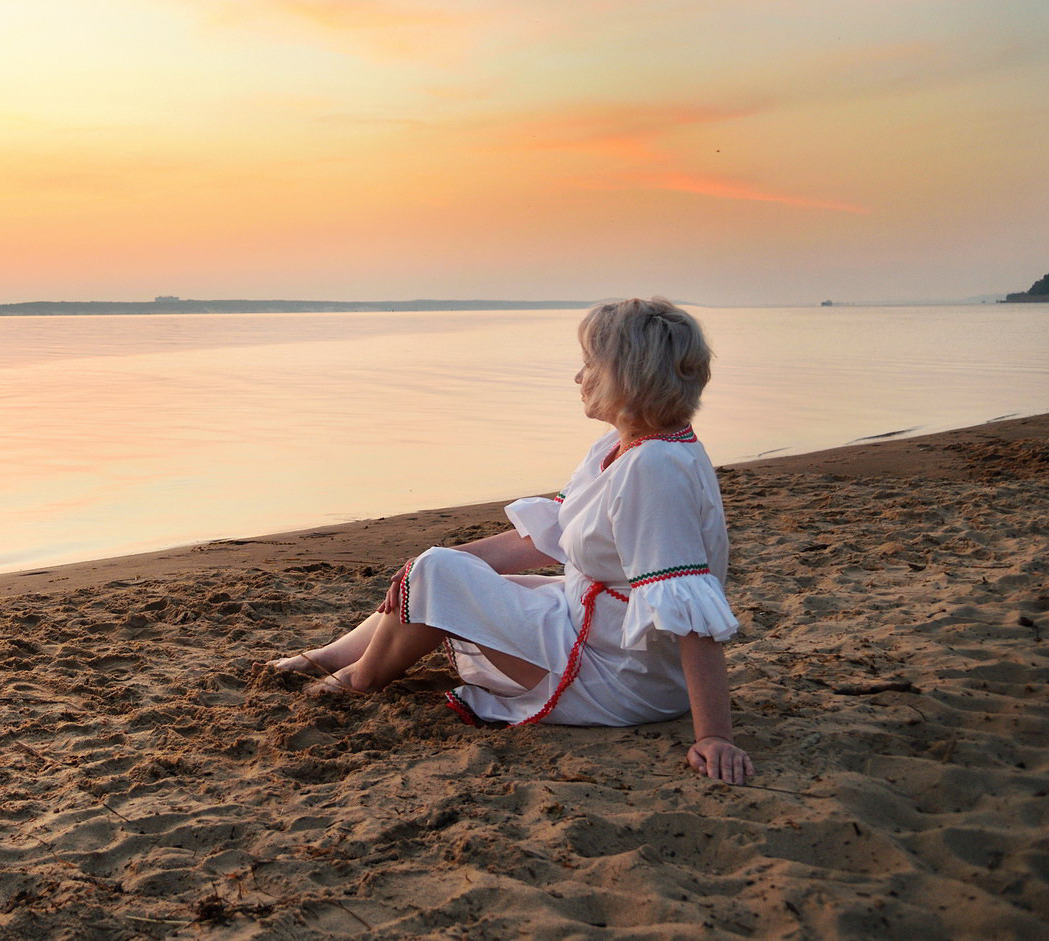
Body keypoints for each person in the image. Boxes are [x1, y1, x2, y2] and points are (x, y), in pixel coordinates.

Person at [266, 297, 755, 786]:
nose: (578, 377)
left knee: (439, 572)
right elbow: (552, 537)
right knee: (438, 569)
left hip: (623, 676)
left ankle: (361, 676)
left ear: (627, 375)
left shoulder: (655, 469)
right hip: (588, 623)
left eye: (590, 364)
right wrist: (426, 568)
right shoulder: (622, 446)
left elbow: (692, 606)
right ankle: (334, 654)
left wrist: (714, 735)